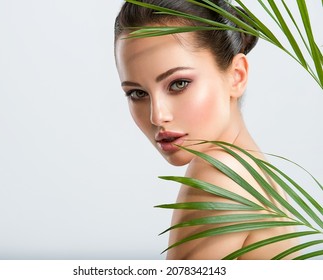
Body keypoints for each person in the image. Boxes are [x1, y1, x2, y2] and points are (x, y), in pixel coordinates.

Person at [114, 0, 297, 259]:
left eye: (179, 84)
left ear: (237, 76)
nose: (157, 115)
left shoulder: (222, 178)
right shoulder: (251, 170)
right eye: (137, 93)